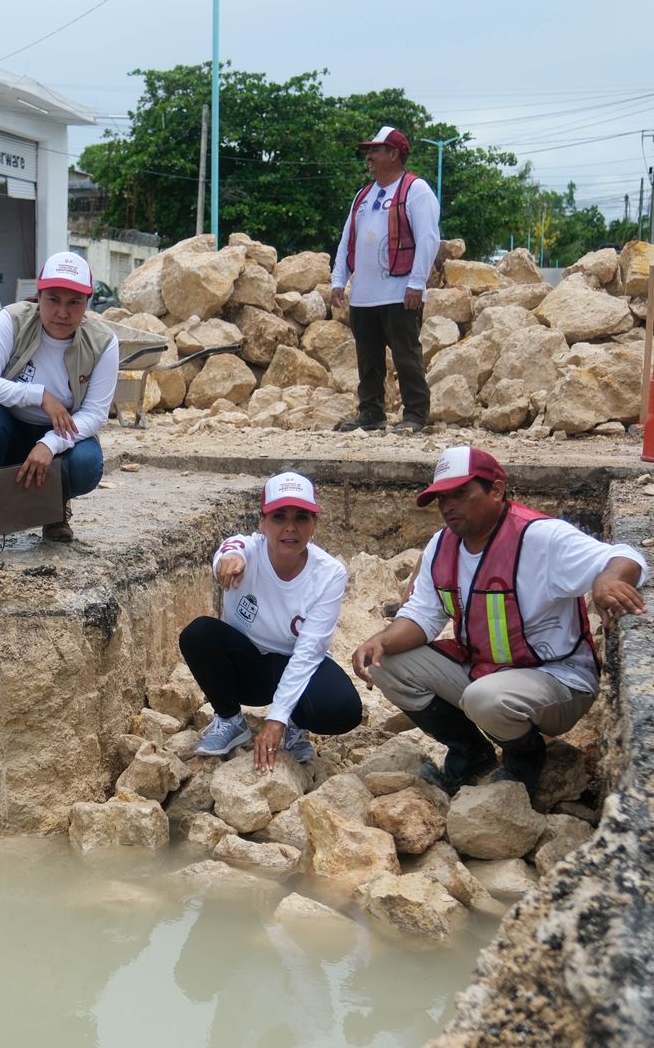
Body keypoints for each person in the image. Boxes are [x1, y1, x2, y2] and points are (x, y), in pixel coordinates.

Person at [352, 447, 648, 794]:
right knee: (386, 663)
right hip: (486, 672)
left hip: (558, 677)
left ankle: (525, 759)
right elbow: (421, 616)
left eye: (461, 493)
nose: (448, 506)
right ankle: (472, 755)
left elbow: (627, 556)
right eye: (441, 498)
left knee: (485, 699)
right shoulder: (442, 545)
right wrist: (381, 641)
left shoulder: (538, 537)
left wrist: (609, 579)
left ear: (496, 490)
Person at [180, 472, 361, 771]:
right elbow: (229, 551)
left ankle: (294, 723)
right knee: (199, 633)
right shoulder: (246, 550)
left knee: (343, 708)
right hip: (249, 669)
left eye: (301, 517)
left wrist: (276, 718)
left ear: (314, 524)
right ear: (263, 523)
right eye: (279, 517)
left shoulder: (329, 574)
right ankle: (229, 720)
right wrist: (227, 561)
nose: (290, 528)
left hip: (295, 666)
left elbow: (308, 653)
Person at [0, 251, 117, 552]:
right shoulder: (12, 319)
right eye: (53, 299)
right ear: (39, 296)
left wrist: (50, 443)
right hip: (8, 433)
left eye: (74, 302)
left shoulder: (103, 342)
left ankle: (55, 510)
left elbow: (95, 414)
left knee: (87, 464)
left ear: (88, 302)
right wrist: (39, 395)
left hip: (59, 441)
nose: (62, 312)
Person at [330, 126, 440, 434]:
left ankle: (415, 415)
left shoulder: (415, 191)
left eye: (376, 151)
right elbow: (346, 240)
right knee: (368, 360)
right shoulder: (363, 196)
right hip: (365, 295)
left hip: (399, 292)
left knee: (406, 356)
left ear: (394, 154)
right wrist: (339, 279)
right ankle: (371, 413)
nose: (369, 157)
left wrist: (416, 283)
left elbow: (428, 238)